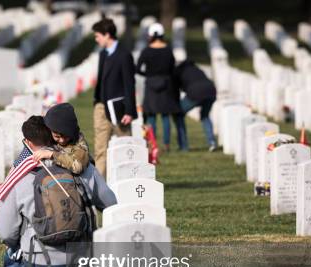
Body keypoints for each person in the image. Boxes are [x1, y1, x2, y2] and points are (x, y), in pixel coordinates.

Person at [0, 117, 117, 267]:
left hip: (38, 265)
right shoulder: (83, 168)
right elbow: (111, 205)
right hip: (82, 264)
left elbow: (6, 232)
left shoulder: (21, 176)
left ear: (28, 142)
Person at [92, 18, 138, 177]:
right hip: (101, 107)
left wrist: (129, 111)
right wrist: (97, 102)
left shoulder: (124, 55)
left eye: (97, 36)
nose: (96, 39)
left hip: (119, 110)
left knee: (126, 148)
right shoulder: (103, 54)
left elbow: (129, 84)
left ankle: (130, 181)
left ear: (107, 35)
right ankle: (99, 189)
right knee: (100, 150)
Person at [137, 23, 187, 151]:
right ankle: (166, 144)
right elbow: (172, 69)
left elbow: (138, 68)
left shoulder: (147, 51)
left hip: (151, 86)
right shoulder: (168, 50)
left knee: (151, 116)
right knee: (165, 116)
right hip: (166, 84)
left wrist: (148, 74)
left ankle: (152, 144)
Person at [32, 103, 91, 175]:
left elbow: (78, 166)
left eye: (66, 136)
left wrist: (52, 155)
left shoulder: (78, 141)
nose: (62, 140)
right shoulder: (48, 132)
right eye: (57, 136)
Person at [174, 59, 218, 151]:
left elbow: (177, 89)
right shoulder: (197, 69)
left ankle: (184, 146)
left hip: (195, 93)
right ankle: (212, 142)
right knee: (205, 116)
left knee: (178, 114)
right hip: (211, 91)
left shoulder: (179, 71)